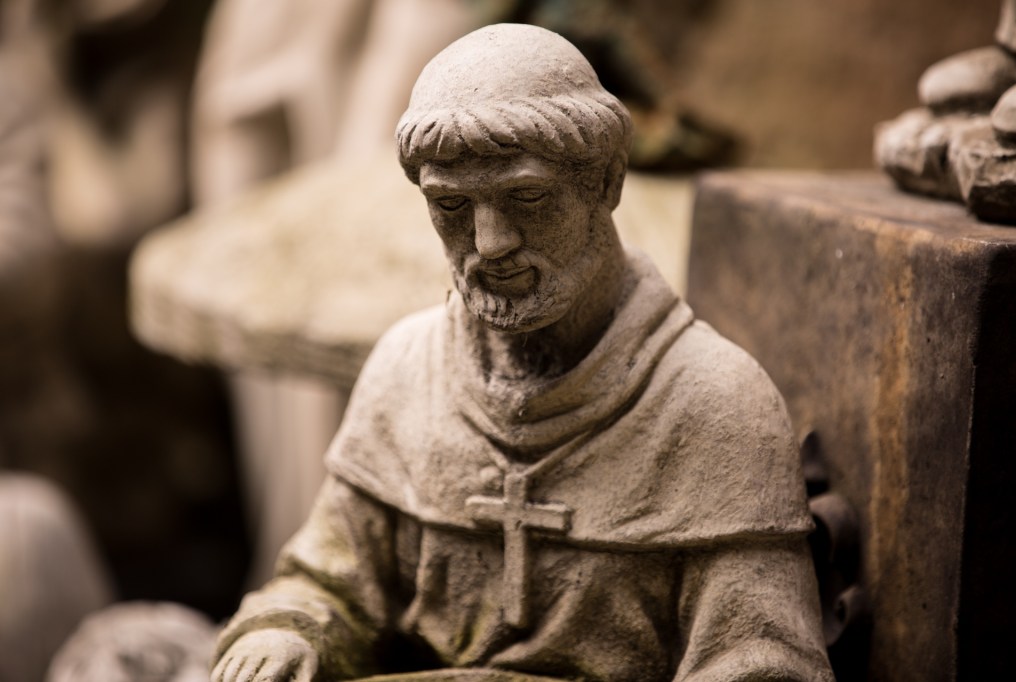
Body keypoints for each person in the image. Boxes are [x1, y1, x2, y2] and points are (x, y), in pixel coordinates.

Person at [211, 24, 833, 682]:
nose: (490, 241)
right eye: (450, 206)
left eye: (527, 197)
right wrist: (288, 631)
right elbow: (328, 583)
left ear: (607, 182)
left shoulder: (715, 402)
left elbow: (761, 660)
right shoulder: (406, 370)